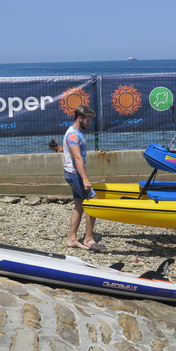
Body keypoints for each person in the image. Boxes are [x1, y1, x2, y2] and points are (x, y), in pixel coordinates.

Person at [63, 105, 105, 251]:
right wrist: (85, 179)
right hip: (75, 174)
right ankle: (88, 239)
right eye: (88, 120)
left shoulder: (75, 133)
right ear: (79, 118)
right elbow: (77, 157)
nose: (89, 123)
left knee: (79, 204)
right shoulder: (72, 135)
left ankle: (72, 239)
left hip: (72, 173)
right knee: (93, 202)